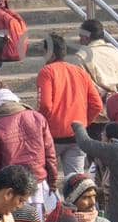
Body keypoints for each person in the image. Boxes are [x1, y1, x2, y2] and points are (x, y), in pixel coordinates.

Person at [40, 35, 104, 177]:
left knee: (44, 179)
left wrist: (41, 124)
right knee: (76, 182)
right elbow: (97, 105)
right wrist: (84, 123)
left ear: (51, 54)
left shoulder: (47, 71)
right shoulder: (80, 72)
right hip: (77, 136)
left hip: (52, 135)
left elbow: (45, 105)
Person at [74, 19, 118, 115]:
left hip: (102, 114)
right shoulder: (116, 51)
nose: (79, 41)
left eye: (80, 37)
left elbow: (86, 89)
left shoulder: (81, 57)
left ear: (86, 37)